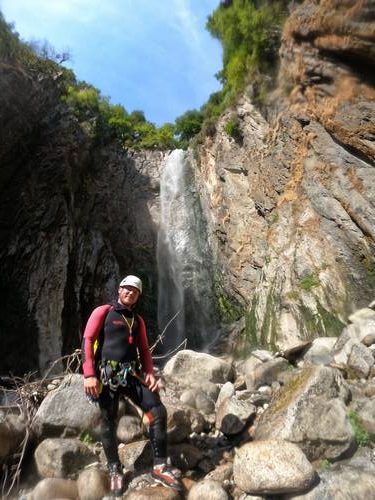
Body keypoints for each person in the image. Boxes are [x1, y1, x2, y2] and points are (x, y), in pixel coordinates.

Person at [82, 275, 181, 496]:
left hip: (130, 374)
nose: (130, 292)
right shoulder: (104, 312)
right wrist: (89, 374)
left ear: (138, 296)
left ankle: (159, 466)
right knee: (108, 421)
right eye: (127, 289)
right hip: (106, 376)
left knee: (157, 410)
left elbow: (144, 350)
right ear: (119, 290)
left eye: (135, 291)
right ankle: (115, 469)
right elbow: (88, 339)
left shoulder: (138, 321)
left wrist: (149, 374)